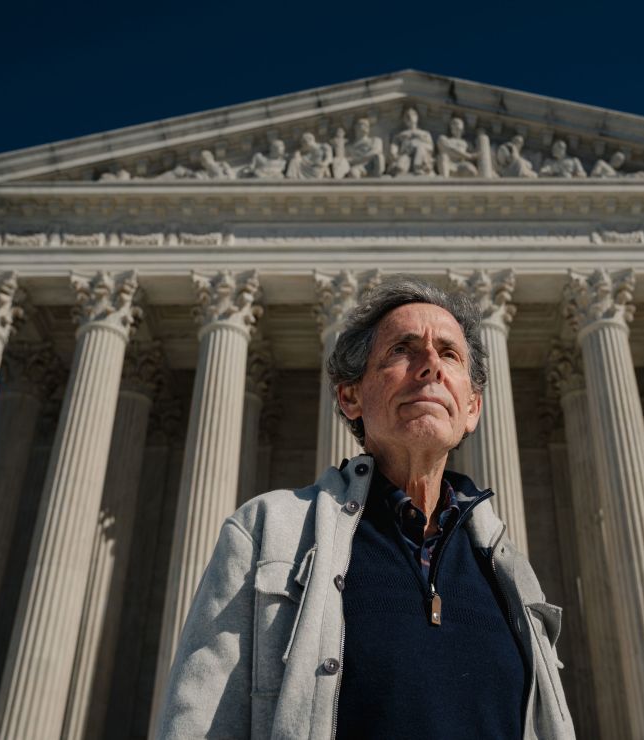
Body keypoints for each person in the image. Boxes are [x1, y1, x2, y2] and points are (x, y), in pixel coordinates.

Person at [157, 276, 574, 739]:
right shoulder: (268, 532)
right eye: (403, 349)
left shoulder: (509, 571)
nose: (430, 366)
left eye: (449, 354)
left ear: (472, 407)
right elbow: (198, 723)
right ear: (350, 396)